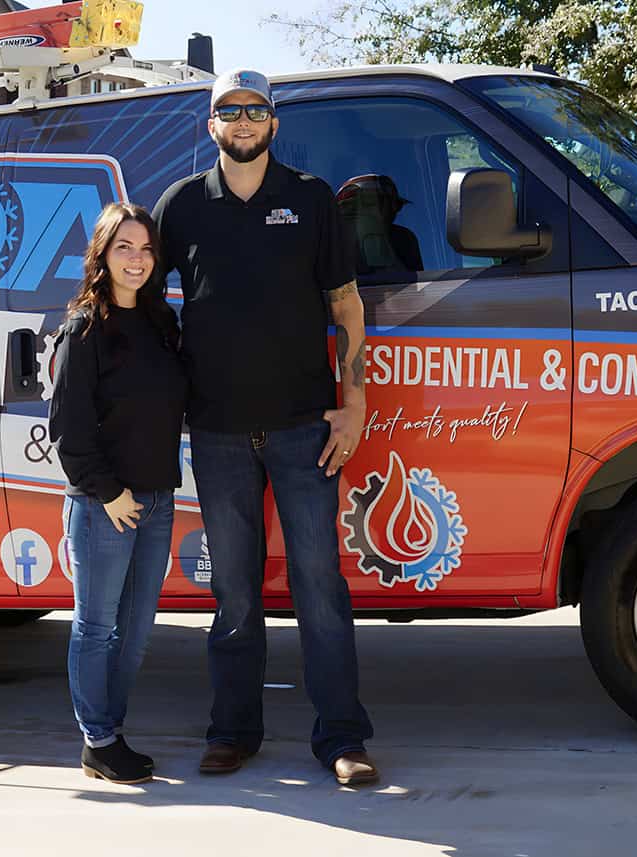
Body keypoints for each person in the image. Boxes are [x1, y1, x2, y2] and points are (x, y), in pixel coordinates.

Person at [151, 69, 378, 785]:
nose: (242, 122)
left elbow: (345, 305)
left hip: (303, 430)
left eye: (255, 110)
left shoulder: (310, 200)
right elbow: (148, 310)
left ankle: (342, 738)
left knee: (319, 585)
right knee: (237, 593)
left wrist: (354, 401)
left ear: (274, 123)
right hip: (215, 433)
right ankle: (233, 731)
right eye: (229, 110)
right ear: (209, 124)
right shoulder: (180, 206)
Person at [48, 202, 187, 785]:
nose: (137, 259)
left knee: (135, 631)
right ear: (101, 255)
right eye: (123, 247)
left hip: (156, 499)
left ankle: (111, 733)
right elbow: (67, 430)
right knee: (96, 627)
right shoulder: (84, 330)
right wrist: (109, 494)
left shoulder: (160, 323)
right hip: (105, 505)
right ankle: (98, 739)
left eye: (146, 248)